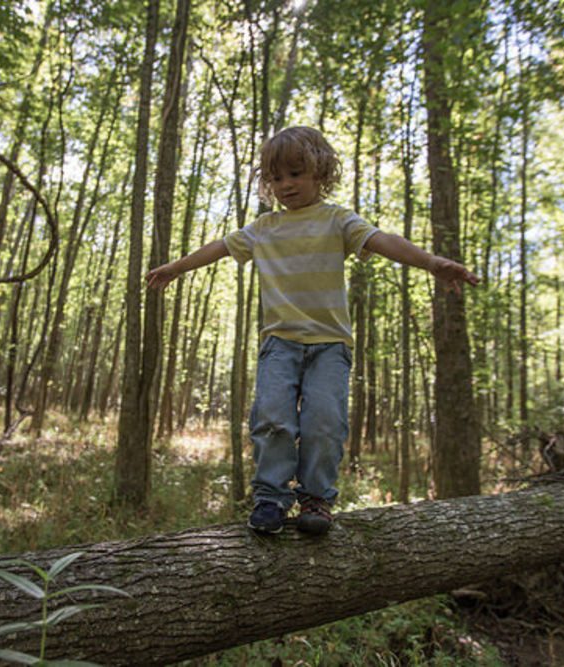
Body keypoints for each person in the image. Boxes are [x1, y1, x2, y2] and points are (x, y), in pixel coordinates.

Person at [146, 126, 478, 535]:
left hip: (329, 346)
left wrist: (431, 262)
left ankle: (316, 499)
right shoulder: (264, 228)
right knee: (272, 419)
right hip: (279, 343)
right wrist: (175, 268)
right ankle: (270, 497)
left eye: (296, 174)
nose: (285, 185)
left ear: (320, 172)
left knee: (324, 421)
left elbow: (383, 240)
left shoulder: (338, 220)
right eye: (277, 178)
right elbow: (219, 247)